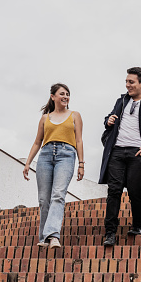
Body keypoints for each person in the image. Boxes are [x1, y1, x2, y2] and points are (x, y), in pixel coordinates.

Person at [99, 67, 141, 246]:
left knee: (135, 191)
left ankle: (138, 225)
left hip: (137, 152)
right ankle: (110, 233)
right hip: (117, 150)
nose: (127, 85)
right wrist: (108, 120)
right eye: (127, 81)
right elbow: (108, 119)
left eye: (131, 82)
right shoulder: (121, 101)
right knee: (114, 191)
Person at [23, 83, 84, 249]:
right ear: (53, 96)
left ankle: (53, 236)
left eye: (68, 94)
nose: (65, 96)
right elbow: (37, 142)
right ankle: (44, 238)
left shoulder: (75, 115)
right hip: (45, 156)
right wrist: (28, 162)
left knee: (58, 194)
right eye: (62, 93)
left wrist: (81, 164)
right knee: (44, 199)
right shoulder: (45, 118)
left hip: (66, 155)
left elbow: (79, 140)